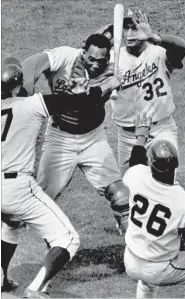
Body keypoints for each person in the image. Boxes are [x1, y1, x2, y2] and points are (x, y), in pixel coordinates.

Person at [1, 57, 120, 297]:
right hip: (18, 188)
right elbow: (80, 101)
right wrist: (109, 85)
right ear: (18, 85)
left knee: (10, 224)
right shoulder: (33, 104)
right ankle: (36, 290)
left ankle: (1, 279)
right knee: (68, 239)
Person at [19, 33, 129, 234]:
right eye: (91, 59)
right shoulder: (66, 57)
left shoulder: (114, 71)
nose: (96, 65)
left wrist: (112, 82)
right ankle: (55, 244)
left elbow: (93, 98)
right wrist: (25, 91)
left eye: (101, 61)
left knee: (121, 195)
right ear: (83, 51)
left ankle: (137, 250)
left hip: (93, 139)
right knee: (38, 201)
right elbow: (32, 63)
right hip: (60, 139)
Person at [122, 112, 185, 298]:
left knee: (147, 282)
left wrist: (141, 135)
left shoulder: (137, 177)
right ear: (176, 165)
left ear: (151, 164)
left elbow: (135, 160)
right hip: (159, 267)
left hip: (131, 261)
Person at [96, 9, 185, 176]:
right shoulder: (111, 59)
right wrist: (103, 37)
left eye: (136, 27)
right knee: (130, 187)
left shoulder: (159, 53)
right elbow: (84, 58)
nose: (130, 33)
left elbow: (183, 48)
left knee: (166, 180)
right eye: (126, 28)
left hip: (160, 129)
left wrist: (157, 38)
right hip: (127, 136)